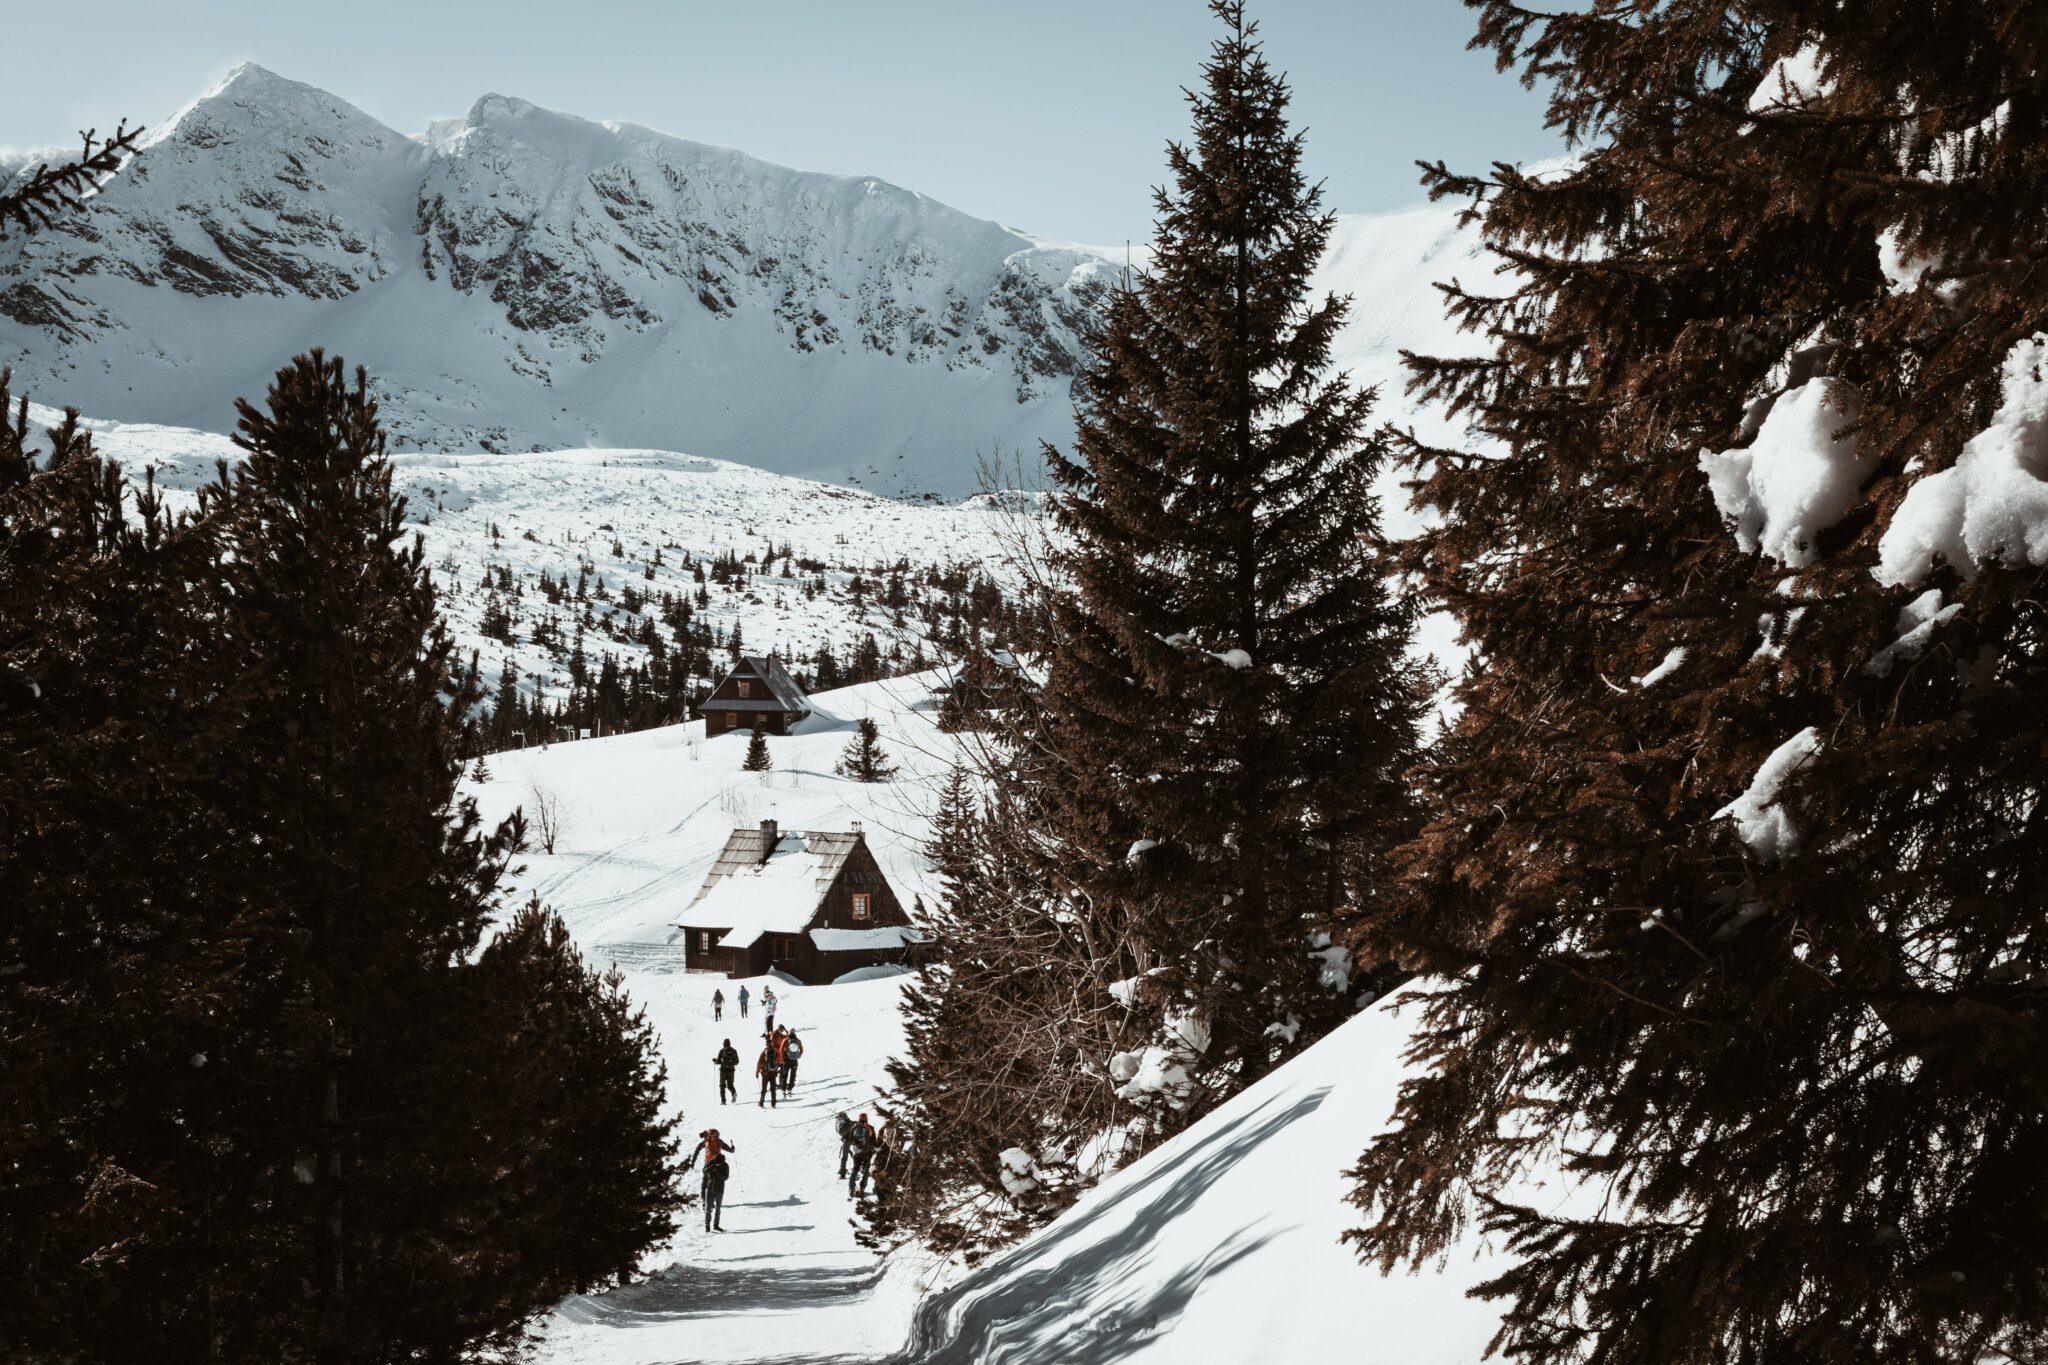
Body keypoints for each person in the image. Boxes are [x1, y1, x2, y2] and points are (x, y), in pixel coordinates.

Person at [682, 1129, 736, 1232]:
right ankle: (704, 1202)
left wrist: (732, 1149)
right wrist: (732, 1149)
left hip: (716, 1165)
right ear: (710, 1135)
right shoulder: (709, 1142)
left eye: (716, 1136)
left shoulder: (715, 1142)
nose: (715, 1137)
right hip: (708, 1165)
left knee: (707, 1183)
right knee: (705, 1183)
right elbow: (698, 1149)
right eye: (714, 1136)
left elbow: (697, 1149)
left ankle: (706, 1203)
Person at [846, 1112, 877, 1196]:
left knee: (855, 1170)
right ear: (866, 1118)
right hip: (867, 1153)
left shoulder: (854, 1127)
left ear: (859, 1118)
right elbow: (874, 1142)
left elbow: (850, 1139)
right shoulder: (870, 1128)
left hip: (857, 1153)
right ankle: (862, 1188)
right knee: (866, 1170)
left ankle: (851, 1188)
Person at [713, 1037, 740, 1104]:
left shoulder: (722, 1051)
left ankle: (723, 1101)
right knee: (730, 1085)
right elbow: (737, 1061)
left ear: (724, 1044)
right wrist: (731, 1063)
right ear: (730, 1044)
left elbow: (718, 1061)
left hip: (723, 1071)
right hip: (731, 1071)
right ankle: (734, 1093)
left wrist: (715, 1061)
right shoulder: (734, 1051)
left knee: (722, 1086)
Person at [755, 1039, 779, 1108]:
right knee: (773, 1089)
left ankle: (761, 1103)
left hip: (765, 1073)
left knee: (764, 1089)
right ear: (772, 1043)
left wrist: (757, 1071)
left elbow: (759, 1063)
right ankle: (773, 1104)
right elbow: (780, 1060)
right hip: (773, 1073)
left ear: (766, 1044)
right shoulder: (775, 1051)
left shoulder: (764, 1052)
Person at [835, 1111, 857, 1178]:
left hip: (847, 1141)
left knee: (844, 1157)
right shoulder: (851, 1122)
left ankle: (842, 1172)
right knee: (857, 1155)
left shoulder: (841, 1123)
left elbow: (841, 1133)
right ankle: (858, 1169)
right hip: (854, 1140)